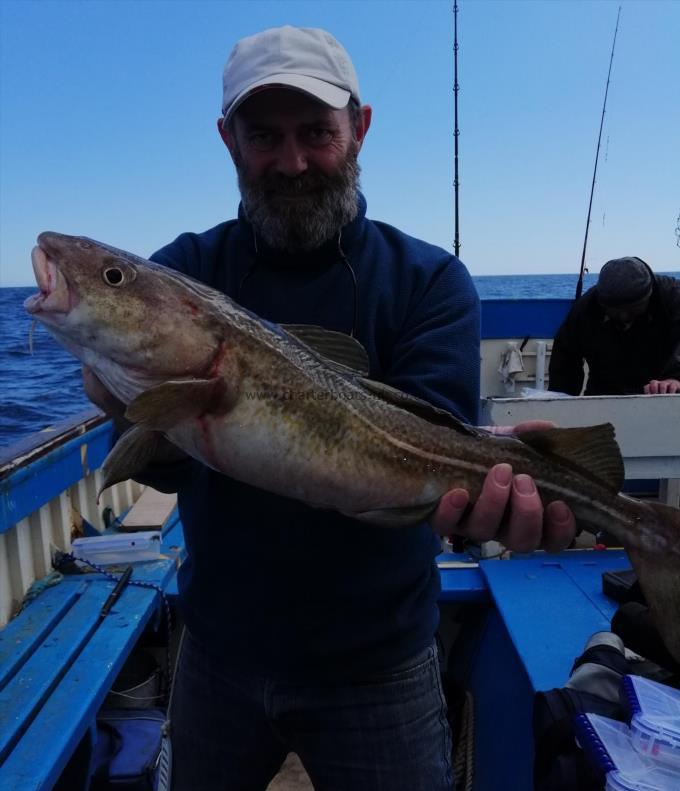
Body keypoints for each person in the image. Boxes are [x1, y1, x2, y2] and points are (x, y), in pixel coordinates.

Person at [83, 26, 576, 790]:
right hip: (218, 648)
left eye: (316, 132)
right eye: (263, 136)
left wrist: (484, 495)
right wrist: (140, 408)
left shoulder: (429, 282)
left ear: (360, 128)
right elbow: (172, 472)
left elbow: (429, 451)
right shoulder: (183, 273)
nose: (291, 161)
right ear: (227, 140)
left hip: (378, 662)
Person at [549, 257, 680, 396]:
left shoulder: (674, 296)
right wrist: (560, 401)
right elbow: (565, 359)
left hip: (664, 394)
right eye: (615, 311)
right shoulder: (586, 307)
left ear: (648, 296)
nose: (624, 316)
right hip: (604, 395)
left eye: (633, 309)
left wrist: (675, 377)